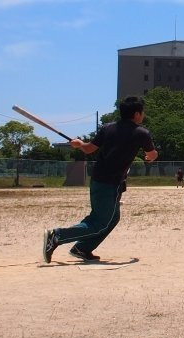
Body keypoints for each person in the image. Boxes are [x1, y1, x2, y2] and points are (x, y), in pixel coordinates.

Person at [41, 96, 157, 263]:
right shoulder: (141, 133)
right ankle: (57, 236)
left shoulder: (107, 128)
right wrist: (151, 156)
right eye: (143, 112)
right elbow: (152, 154)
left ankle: (82, 248)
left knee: (111, 218)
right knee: (100, 222)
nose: (143, 115)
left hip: (99, 179)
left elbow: (88, 149)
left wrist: (79, 144)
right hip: (110, 182)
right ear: (137, 114)